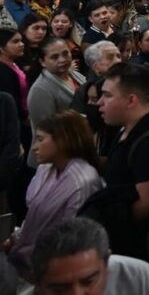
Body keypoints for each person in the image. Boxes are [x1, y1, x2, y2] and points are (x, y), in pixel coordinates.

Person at [89, 62, 149, 258]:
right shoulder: (124, 129)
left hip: (137, 251)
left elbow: (148, 203)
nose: (100, 103)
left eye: (107, 95)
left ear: (131, 100)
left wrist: (104, 222)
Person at [7, 112, 105, 275]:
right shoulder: (46, 169)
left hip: (54, 266)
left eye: (40, 139)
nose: (34, 147)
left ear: (63, 139)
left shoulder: (83, 180)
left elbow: (71, 237)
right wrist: (14, 239)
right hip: (26, 257)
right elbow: (32, 219)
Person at [29, 217, 149, 295]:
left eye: (89, 282)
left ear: (106, 265)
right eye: (60, 289)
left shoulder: (137, 277)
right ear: (37, 284)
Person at [27, 36, 86, 168]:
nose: (63, 60)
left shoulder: (75, 75)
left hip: (77, 148)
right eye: (54, 57)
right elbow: (47, 130)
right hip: (54, 159)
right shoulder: (40, 89)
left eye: (65, 53)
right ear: (42, 62)